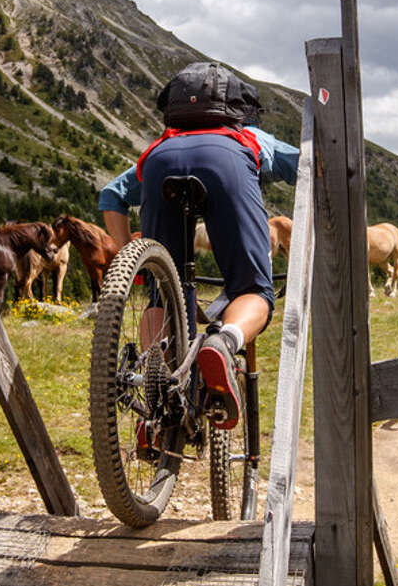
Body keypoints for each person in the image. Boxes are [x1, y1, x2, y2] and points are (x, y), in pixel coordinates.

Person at [98, 63, 298, 428]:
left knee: (162, 294)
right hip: (229, 160)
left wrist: (134, 264)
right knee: (254, 289)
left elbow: (111, 194)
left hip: (161, 167)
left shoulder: (163, 143)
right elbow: (308, 165)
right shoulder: (248, 135)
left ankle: (157, 388)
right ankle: (224, 343)